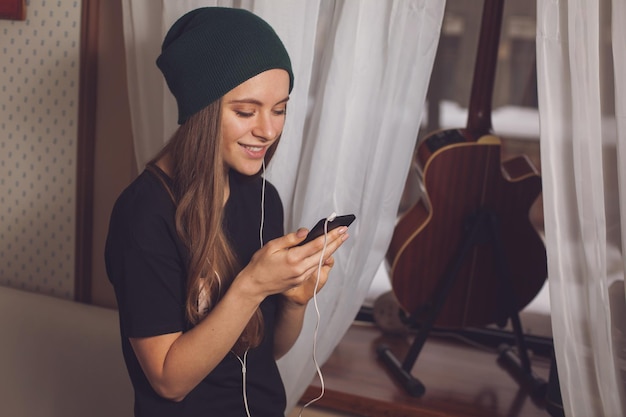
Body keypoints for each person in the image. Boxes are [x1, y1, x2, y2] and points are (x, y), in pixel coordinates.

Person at [105, 7, 349, 417]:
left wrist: (295, 300)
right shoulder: (143, 214)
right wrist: (252, 283)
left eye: (280, 108)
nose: (269, 131)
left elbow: (265, 351)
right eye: (246, 111)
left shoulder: (263, 199)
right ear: (201, 111)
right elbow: (169, 382)